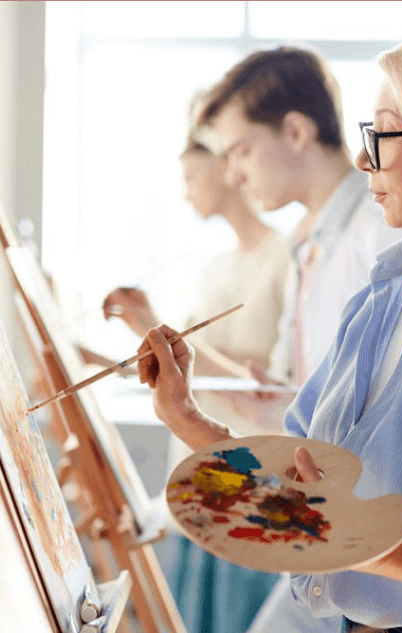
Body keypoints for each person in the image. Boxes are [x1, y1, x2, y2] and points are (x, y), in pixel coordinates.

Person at [136, 22, 402, 633]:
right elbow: (298, 485)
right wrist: (184, 417)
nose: (360, 157)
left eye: (382, 132)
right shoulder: (379, 297)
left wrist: (361, 545)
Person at [106, 125, 290, 633]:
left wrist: (158, 329)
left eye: (192, 175)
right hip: (200, 472)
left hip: (249, 474)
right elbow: (192, 372)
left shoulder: (285, 255)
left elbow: (274, 393)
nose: (187, 190)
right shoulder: (216, 267)